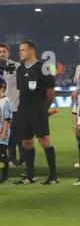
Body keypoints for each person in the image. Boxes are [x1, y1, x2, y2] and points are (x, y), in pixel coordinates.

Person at [13, 40, 57, 185]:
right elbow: (21, 91)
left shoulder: (44, 67)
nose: (20, 52)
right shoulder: (20, 69)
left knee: (43, 140)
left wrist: (43, 110)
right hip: (23, 109)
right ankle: (30, 176)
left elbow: (50, 93)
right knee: (26, 142)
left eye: (23, 50)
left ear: (32, 51)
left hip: (38, 108)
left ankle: (53, 176)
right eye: (20, 50)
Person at [0, 78, 11, 183]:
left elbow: (8, 119)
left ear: (2, 88)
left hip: (2, 132)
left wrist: (4, 133)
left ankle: (4, 176)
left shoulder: (6, 102)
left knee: (2, 154)